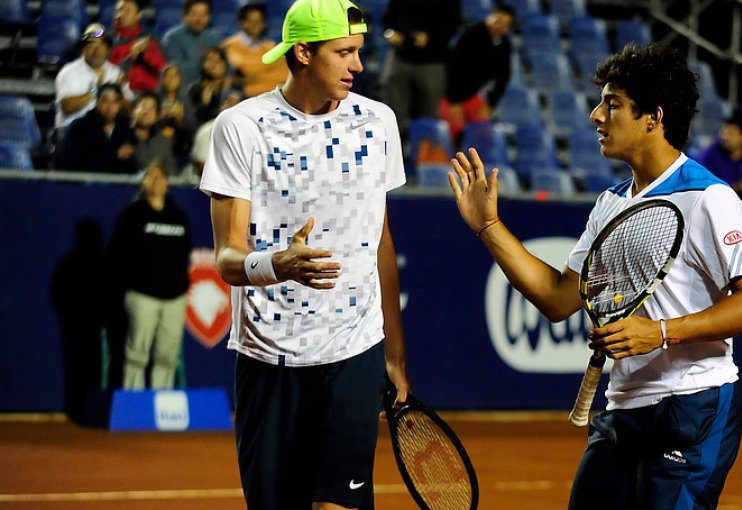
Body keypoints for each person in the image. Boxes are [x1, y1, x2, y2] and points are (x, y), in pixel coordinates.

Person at [448, 42, 742, 509]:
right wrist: (489, 228)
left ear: (653, 118)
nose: (596, 116)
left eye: (612, 104)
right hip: (624, 410)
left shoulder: (709, 197)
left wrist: (659, 333)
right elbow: (560, 298)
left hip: (693, 405)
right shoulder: (611, 203)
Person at [198, 0, 411, 508]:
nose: (359, 65)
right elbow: (228, 258)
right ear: (302, 54)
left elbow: (379, 238)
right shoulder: (242, 127)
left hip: (353, 349)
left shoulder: (379, 122)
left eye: (359, 51)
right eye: (344, 52)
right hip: (268, 356)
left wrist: (394, 353)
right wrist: (275, 264)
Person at [108, 161, 192, 390]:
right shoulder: (131, 216)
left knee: (167, 356)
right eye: (150, 176)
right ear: (142, 182)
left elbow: (186, 252)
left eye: (160, 177)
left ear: (167, 183)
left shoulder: (178, 217)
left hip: (174, 298)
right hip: (142, 296)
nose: (156, 181)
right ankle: (134, 407)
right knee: (136, 355)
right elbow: (117, 254)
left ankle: (161, 406)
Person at [380, 0, 461, 136]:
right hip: (400, 57)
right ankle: (391, 151)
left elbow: (453, 24)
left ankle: (425, 153)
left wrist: (431, 38)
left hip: (432, 61)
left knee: (429, 115)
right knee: (392, 113)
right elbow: (388, 19)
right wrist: (391, 33)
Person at [439, 2, 514, 145]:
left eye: (505, 24)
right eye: (497, 21)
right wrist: (454, 101)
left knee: (483, 131)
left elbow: (504, 77)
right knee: (453, 132)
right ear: (489, 17)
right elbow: (454, 68)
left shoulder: (504, 44)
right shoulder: (471, 35)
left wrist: (490, 104)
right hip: (451, 94)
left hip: (472, 95)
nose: (500, 26)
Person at [53, 23, 131, 139]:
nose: (97, 51)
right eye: (91, 46)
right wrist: (97, 90)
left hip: (106, 131)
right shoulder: (69, 72)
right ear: (83, 49)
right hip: (72, 131)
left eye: (101, 46)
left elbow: (130, 109)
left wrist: (118, 93)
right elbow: (67, 106)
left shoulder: (116, 73)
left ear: (108, 49)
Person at [54, 83, 137, 173]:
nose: (110, 107)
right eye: (105, 101)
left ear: (120, 104)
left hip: (117, 184)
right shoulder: (79, 127)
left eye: (115, 101)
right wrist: (115, 155)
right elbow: (79, 163)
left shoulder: (126, 127)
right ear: (97, 102)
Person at [220, 3, 289, 97]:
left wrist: (255, 78)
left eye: (259, 21)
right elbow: (248, 70)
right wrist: (266, 73)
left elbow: (284, 75)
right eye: (251, 21)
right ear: (241, 23)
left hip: (271, 98)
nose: (256, 25)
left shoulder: (270, 46)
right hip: (244, 98)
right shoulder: (229, 46)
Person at [695, 112, 742, 199]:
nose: (726, 138)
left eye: (731, 134)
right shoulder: (709, 155)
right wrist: (738, 187)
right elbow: (702, 185)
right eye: (724, 133)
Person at [109, 0, 167, 94]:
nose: (121, 14)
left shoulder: (151, 38)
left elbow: (163, 69)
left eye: (127, 11)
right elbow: (108, 71)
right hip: (120, 94)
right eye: (119, 10)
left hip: (150, 95)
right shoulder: (107, 38)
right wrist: (130, 56)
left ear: (138, 15)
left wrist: (148, 52)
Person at [161, 0, 222, 89]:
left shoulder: (214, 36)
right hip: (184, 89)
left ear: (209, 17)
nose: (199, 19)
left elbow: (225, 65)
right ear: (184, 16)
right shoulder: (172, 38)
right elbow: (177, 69)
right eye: (194, 14)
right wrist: (207, 66)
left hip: (214, 87)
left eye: (204, 14)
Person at [185, 47, 237, 126]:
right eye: (210, 60)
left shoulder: (235, 86)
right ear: (203, 65)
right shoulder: (195, 89)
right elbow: (191, 119)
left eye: (218, 61)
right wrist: (204, 104)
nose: (214, 64)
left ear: (225, 64)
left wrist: (226, 93)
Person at [131, 91, 176, 174]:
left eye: (151, 109)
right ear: (133, 111)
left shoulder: (163, 141)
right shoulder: (121, 136)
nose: (146, 112)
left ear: (157, 116)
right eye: (143, 106)